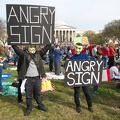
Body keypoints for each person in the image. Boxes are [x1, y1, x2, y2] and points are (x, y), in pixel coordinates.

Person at [12, 44, 51, 116]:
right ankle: (29, 108)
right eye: (30, 47)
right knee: (28, 95)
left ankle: (40, 106)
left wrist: (51, 40)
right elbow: (16, 49)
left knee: (38, 94)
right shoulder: (24, 55)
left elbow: (46, 48)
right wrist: (11, 40)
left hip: (37, 78)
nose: (32, 49)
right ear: (27, 48)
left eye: (33, 47)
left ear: (35, 48)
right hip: (28, 79)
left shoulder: (39, 54)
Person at [70, 43, 94, 113]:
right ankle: (78, 106)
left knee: (87, 93)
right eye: (76, 48)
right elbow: (70, 68)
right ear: (74, 48)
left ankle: (90, 106)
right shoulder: (72, 58)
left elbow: (89, 66)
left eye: (79, 48)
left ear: (82, 49)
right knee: (77, 93)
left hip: (84, 78)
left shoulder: (85, 56)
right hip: (76, 78)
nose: (77, 50)